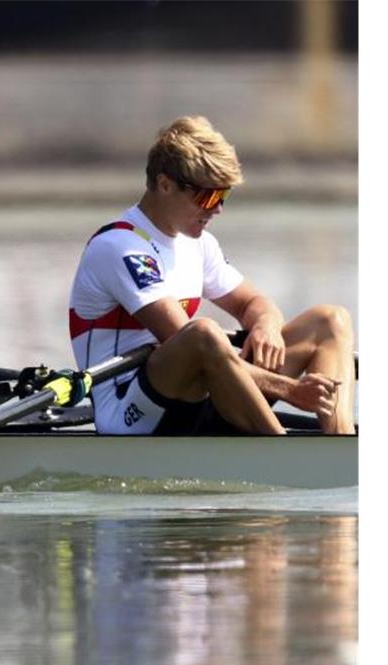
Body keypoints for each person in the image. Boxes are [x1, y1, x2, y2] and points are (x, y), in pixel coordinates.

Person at [68, 115, 354, 435]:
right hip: (129, 413)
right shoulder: (120, 246)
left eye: (224, 196)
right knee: (203, 333)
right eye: (208, 197)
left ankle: (342, 444)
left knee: (329, 322)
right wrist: (290, 390)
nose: (217, 209)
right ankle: (282, 449)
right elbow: (190, 340)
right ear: (165, 185)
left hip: (195, 394)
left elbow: (253, 303)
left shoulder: (199, 244)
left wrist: (266, 326)